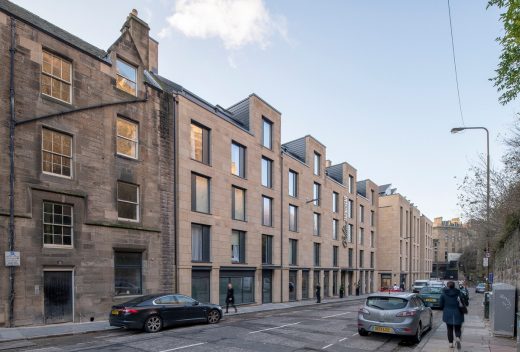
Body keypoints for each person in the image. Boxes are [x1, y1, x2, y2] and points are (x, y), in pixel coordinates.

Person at [440, 281, 465, 350]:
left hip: (448, 313)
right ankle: (457, 337)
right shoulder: (459, 293)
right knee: (458, 328)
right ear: (454, 286)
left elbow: (441, 305)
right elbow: (464, 302)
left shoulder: (443, 294)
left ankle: (451, 344)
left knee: (449, 329)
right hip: (458, 313)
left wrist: (445, 308)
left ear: (447, 286)